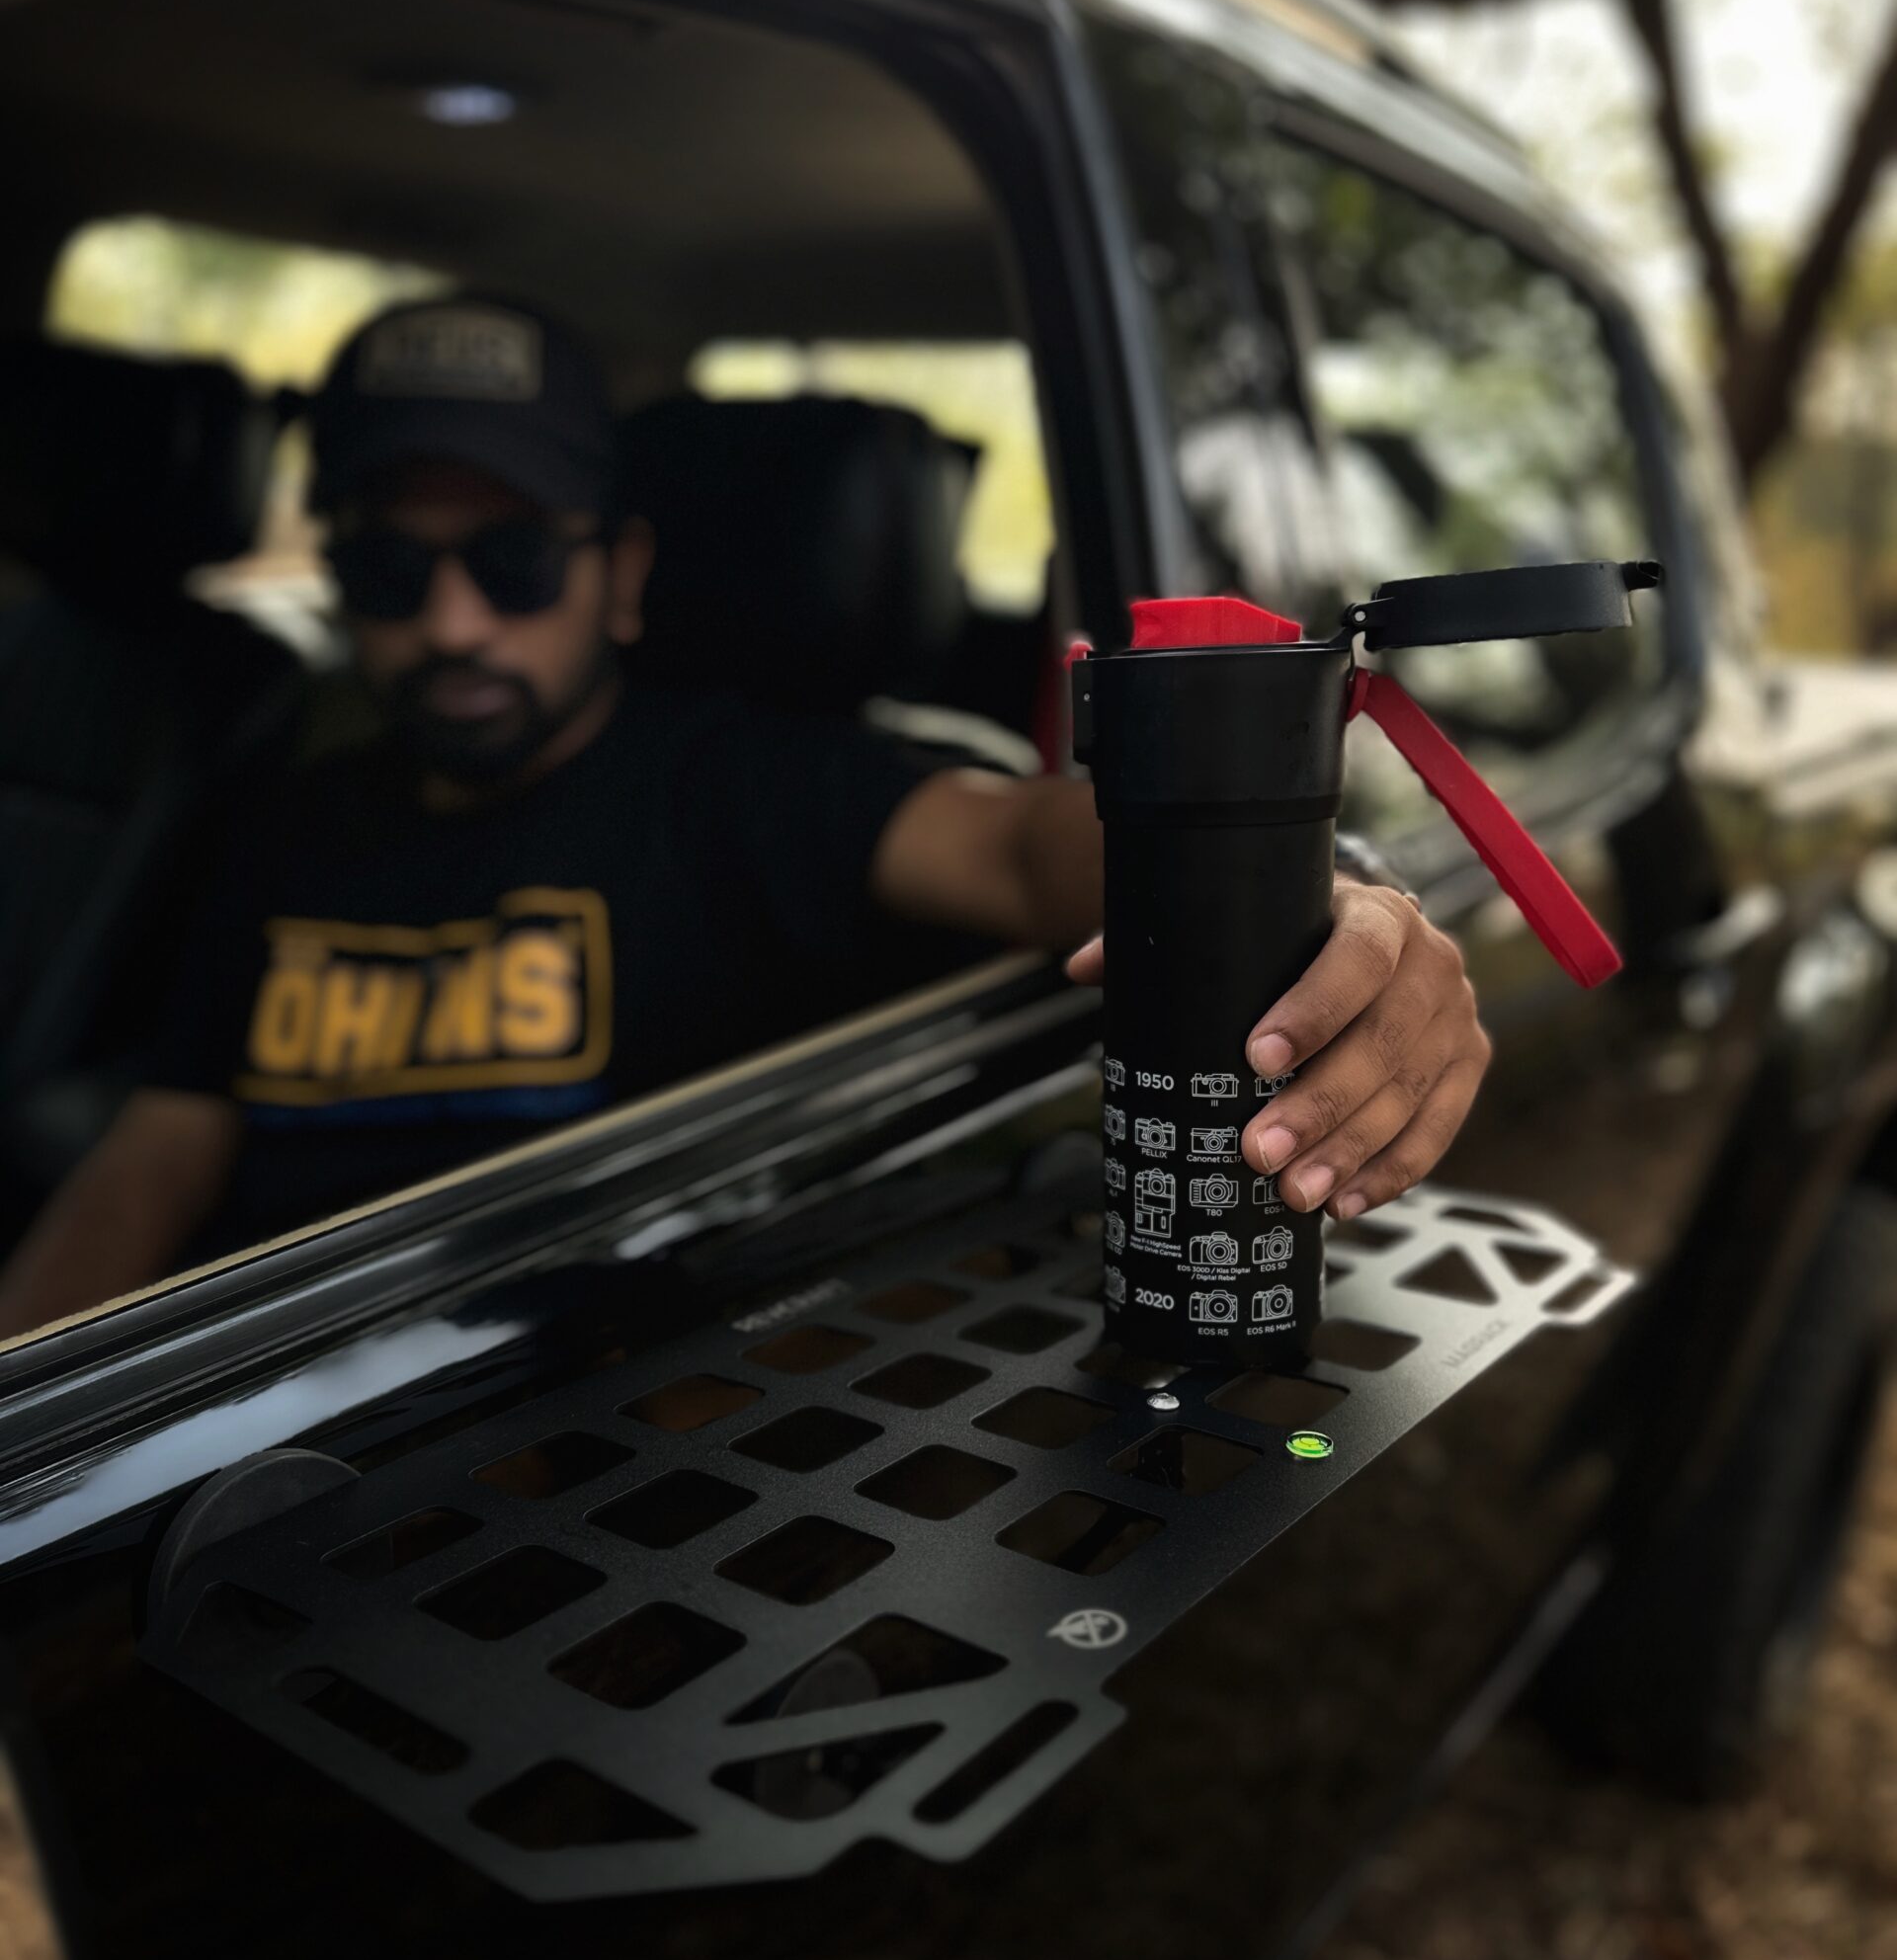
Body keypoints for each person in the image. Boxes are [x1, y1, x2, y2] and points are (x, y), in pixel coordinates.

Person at [0, 296, 1489, 1338]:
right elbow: (162, 1148)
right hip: (243, 1434)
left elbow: (1024, 844)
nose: (453, 624)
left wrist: (1317, 899)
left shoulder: (748, 787)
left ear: (621, 573)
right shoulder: (290, 821)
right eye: (391, 571)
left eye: (513, 562)